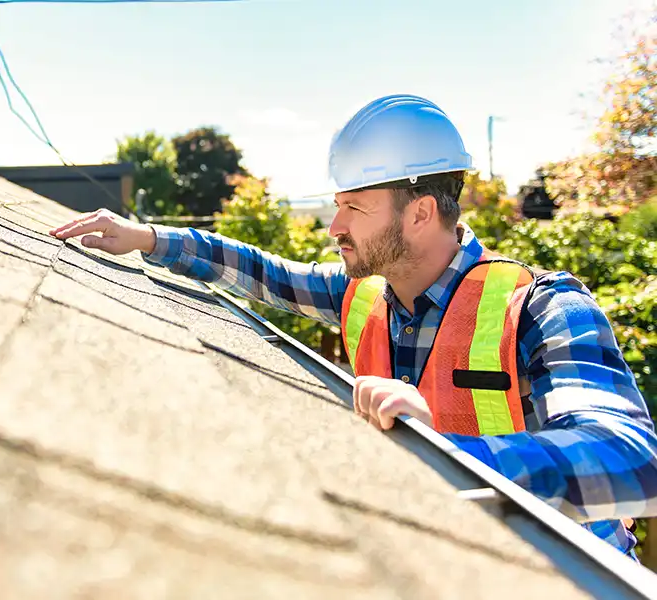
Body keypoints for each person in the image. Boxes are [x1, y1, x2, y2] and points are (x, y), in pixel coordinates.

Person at [50, 94, 657, 560]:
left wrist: (453, 459)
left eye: (354, 208)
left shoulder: (542, 309)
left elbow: (635, 458)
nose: (333, 227)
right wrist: (150, 238)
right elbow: (264, 271)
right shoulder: (366, 291)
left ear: (420, 213)